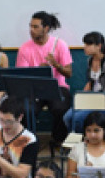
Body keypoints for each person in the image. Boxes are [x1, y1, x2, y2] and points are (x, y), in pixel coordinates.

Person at [15, 11, 73, 149]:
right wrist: (38, 70)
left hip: (57, 86)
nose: (31, 30)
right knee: (26, 109)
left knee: (61, 108)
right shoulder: (24, 48)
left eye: (35, 27)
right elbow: (22, 76)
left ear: (46, 28)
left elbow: (69, 73)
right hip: (33, 89)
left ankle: (58, 140)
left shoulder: (60, 45)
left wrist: (56, 65)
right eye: (30, 26)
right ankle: (30, 142)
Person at [63, 32, 105, 134]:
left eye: (88, 44)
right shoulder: (90, 60)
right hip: (91, 99)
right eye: (85, 44)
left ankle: (84, 142)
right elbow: (93, 81)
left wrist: (99, 95)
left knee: (77, 118)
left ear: (99, 46)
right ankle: (76, 141)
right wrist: (88, 88)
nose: (85, 47)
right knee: (67, 117)